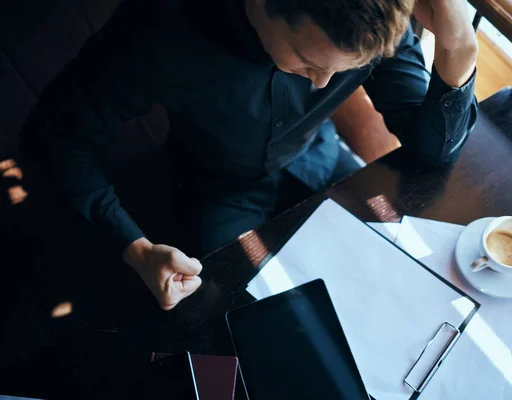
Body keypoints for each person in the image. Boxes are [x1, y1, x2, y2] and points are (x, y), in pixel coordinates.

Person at [21, 0, 478, 310]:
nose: (321, 85)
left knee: (404, 277)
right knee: (243, 316)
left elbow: (432, 153)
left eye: (344, 71)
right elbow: (56, 136)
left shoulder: (378, 20)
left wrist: (459, 43)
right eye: (307, 62)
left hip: (322, 160)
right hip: (217, 189)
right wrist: (135, 248)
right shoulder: (157, 31)